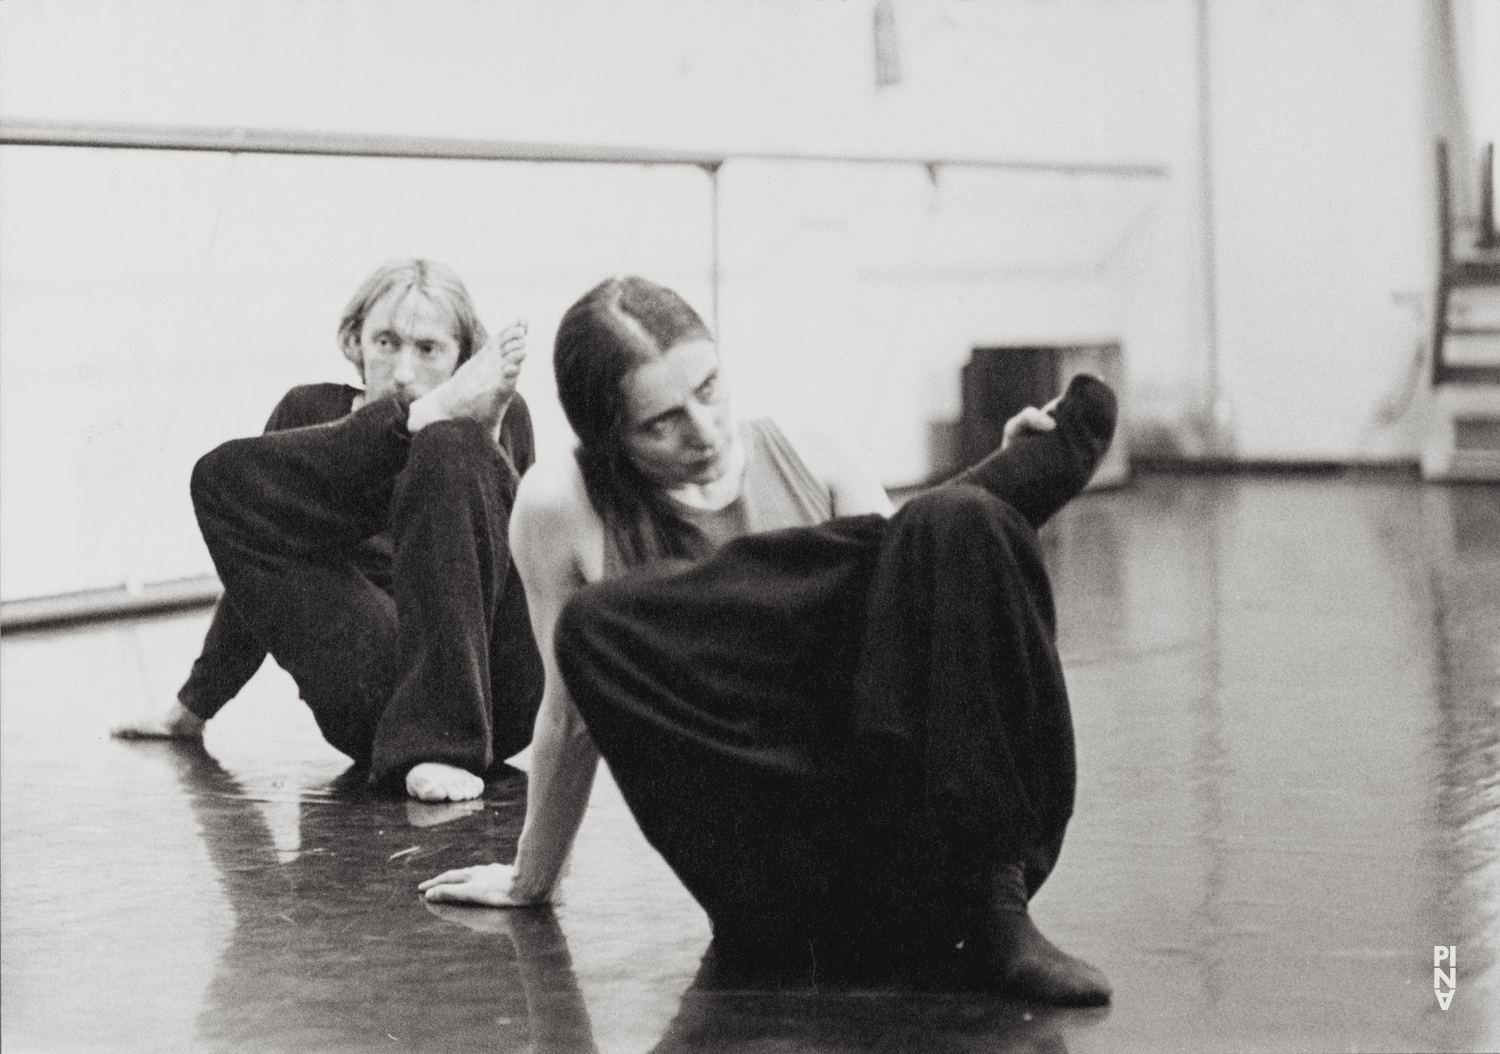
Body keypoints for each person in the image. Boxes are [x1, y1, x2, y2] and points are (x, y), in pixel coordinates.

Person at [421, 276, 1114, 1004]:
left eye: (710, 389)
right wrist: (533, 878)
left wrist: (966, 531)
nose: (706, 430)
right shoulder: (562, 505)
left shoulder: (808, 451)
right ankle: (990, 495)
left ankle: (997, 912)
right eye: (662, 423)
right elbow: (568, 716)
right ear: (607, 439)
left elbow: (916, 621)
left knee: (945, 528)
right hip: (775, 880)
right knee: (601, 629)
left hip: (914, 830)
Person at [114, 259, 545, 803]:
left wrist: (484, 443)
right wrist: (193, 707)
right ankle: (414, 428)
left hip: (491, 691)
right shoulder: (309, 409)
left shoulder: (506, 411)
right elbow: (261, 578)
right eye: (386, 342)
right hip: (377, 693)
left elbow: (530, 570)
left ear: (463, 360)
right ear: (355, 342)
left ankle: (442, 740)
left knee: (453, 446)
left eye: (429, 350)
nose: (404, 371)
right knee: (222, 480)